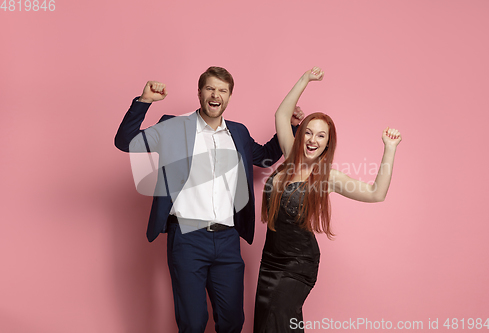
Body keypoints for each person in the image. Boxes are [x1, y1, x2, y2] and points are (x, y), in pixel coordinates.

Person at [114, 66, 302, 333]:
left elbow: (266, 157)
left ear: (229, 96)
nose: (216, 95)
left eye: (223, 90)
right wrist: (144, 101)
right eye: (210, 88)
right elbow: (125, 141)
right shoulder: (174, 126)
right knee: (192, 323)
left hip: (227, 240)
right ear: (200, 92)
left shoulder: (238, 133)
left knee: (232, 322)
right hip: (188, 238)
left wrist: (291, 126)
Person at [253, 67, 402, 333]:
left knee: (277, 319)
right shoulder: (289, 157)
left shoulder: (327, 176)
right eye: (309, 132)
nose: (312, 139)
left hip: (299, 264)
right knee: (272, 323)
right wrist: (305, 79)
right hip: (270, 259)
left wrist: (389, 150)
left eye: (321, 135)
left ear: (327, 143)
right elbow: (282, 114)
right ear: (300, 134)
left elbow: (375, 193)